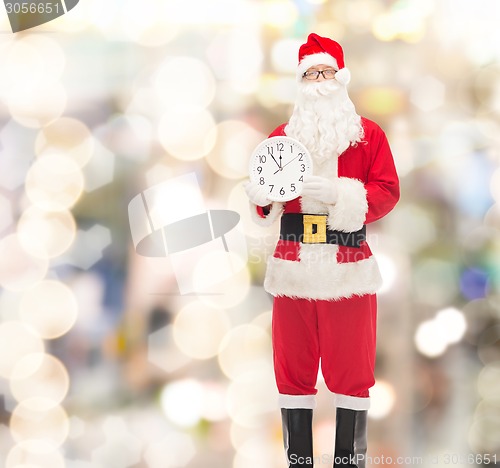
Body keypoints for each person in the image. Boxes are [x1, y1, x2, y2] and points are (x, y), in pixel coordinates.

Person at [245, 33, 400, 467]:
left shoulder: (368, 137)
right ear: (300, 81)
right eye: (311, 73)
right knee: (292, 370)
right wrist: (260, 194)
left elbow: (387, 191)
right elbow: (265, 201)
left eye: (326, 72)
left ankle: (349, 461)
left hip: (348, 263)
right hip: (294, 263)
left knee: (351, 371)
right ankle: (299, 460)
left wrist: (337, 194)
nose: (319, 80)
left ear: (341, 78)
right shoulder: (280, 138)